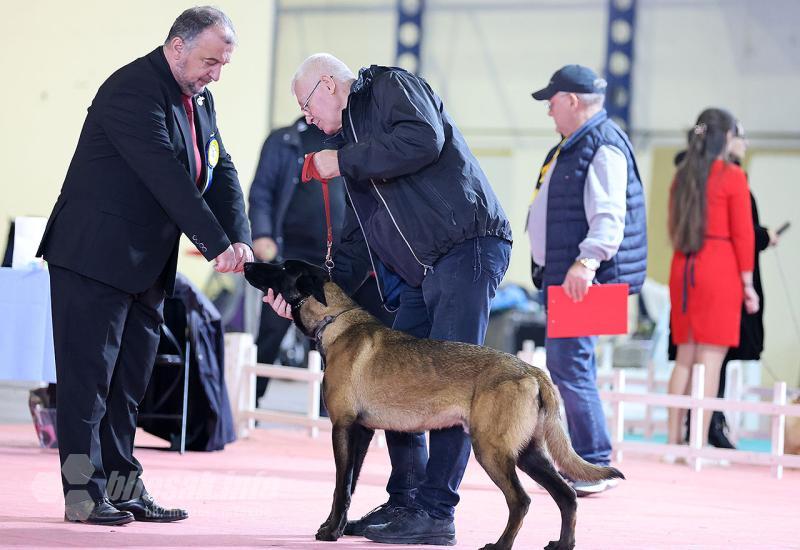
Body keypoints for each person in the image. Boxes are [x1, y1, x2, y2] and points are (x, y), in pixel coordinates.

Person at [266, 53, 512, 545]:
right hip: (420, 272)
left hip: (467, 248)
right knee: (397, 381)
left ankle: (437, 512)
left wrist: (343, 160)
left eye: (306, 105)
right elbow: (356, 244)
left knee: (450, 383)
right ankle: (406, 500)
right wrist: (308, 300)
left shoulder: (388, 87)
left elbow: (424, 138)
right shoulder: (352, 148)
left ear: (330, 85)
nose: (307, 119)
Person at [36, 7, 253, 525]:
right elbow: (167, 176)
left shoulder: (200, 100)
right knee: (87, 386)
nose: (215, 74)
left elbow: (220, 168)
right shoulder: (131, 90)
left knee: (128, 387)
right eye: (209, 61)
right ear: (176, 47)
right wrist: (214, 241)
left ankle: (124, 487)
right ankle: (83, 494)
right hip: (92, 257)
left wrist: (240, 239)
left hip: (146, 264)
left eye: (223, 65)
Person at [527, 65, 647, 495]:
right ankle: (587, 458)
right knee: (572, 365)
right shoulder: (576, 144)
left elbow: (609, 216)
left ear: (572, 101)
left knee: (570, 365)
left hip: (582, 278)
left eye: (552, 102)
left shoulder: (601, 145)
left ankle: (593, 461)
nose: (549, 113)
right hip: (568, 274)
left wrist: (586, 263)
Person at [669, 120, 779, 449]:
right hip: (719, 266)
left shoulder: (684, 174)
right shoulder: (732, 177)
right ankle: (698, 444)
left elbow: (672, 227)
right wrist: (748, 284)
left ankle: (673, 443)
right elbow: (744, 235)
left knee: (685, 360)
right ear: (725, 138)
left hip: (684, 265)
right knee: (711, 361)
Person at [248, 117, 346, 403]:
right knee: (271, 330)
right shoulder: (283, 140)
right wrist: (263, 234)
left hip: (335, 259)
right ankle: (251, 399)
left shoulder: (349, 141)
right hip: (289, 255)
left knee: (333, 336)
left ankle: (328, 411)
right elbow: (261, 192)